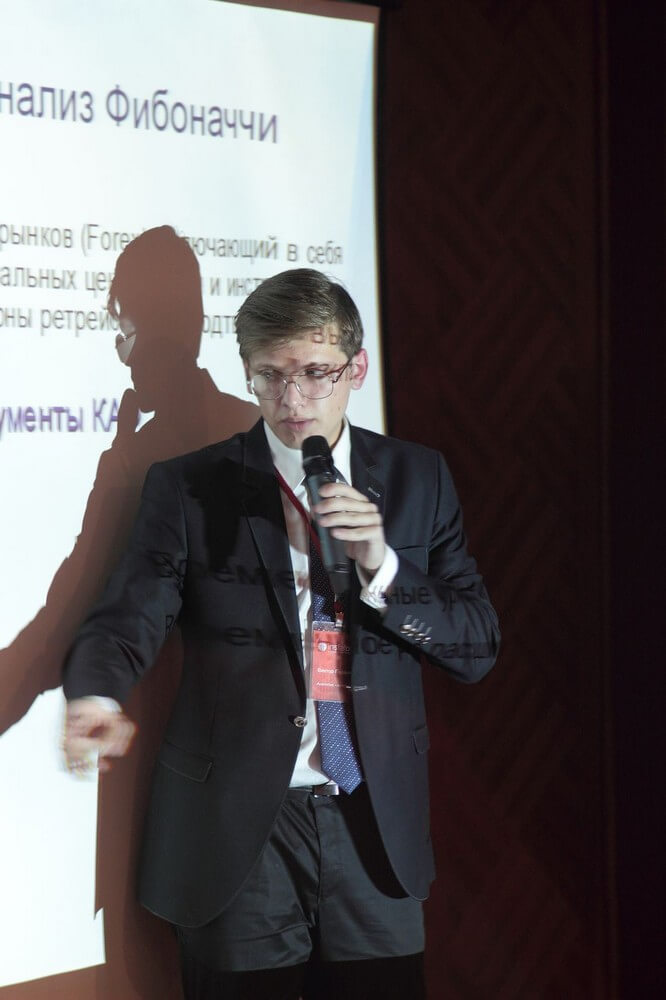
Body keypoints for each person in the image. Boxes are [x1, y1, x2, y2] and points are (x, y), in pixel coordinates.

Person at [63, 268, 500, 999]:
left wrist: (383, 566)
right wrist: (97, 694)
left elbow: (476, 647)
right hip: (237, 827)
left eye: (315, 373)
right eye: (270, 376)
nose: (292, 400)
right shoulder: (190, 485)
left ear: (356, 368)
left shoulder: (418, 478)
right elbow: (127, 616)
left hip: (373, 821)